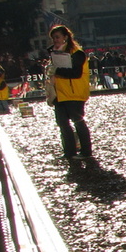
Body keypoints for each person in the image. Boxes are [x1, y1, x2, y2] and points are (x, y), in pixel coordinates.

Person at [47, 25, 94, 161]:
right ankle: (69, 152)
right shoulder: (55, 54)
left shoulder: (77, 53)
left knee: (78, 121)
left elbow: (76, 73)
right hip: (60, 93)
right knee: (62, 123)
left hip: (74, 93)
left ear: (65, 37)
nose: (55, 40)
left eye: (57, 37)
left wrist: (56, 71)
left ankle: (86, 151)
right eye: (53, 38)